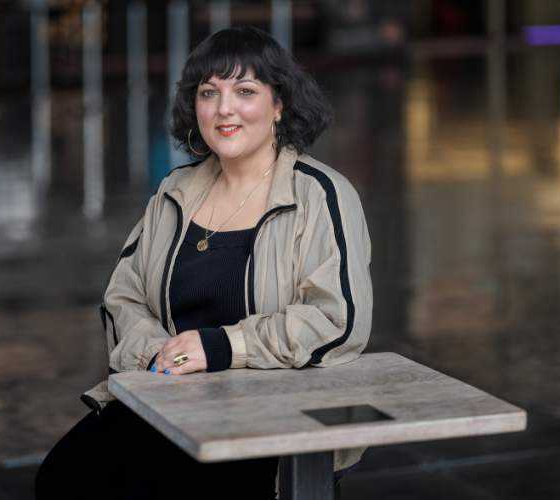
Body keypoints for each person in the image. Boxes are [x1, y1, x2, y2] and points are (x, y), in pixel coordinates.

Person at [36, 26, 373, 500]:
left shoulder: (321, 195)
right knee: (65, 477)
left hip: (268, 417)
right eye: (209, 92)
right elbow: (123, 297)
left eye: (245, 91)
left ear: (280, 105)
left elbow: (337, 319)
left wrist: (220, 347)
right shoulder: (176, 191)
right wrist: (158, 352)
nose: (224, 108)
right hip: (174, 401)